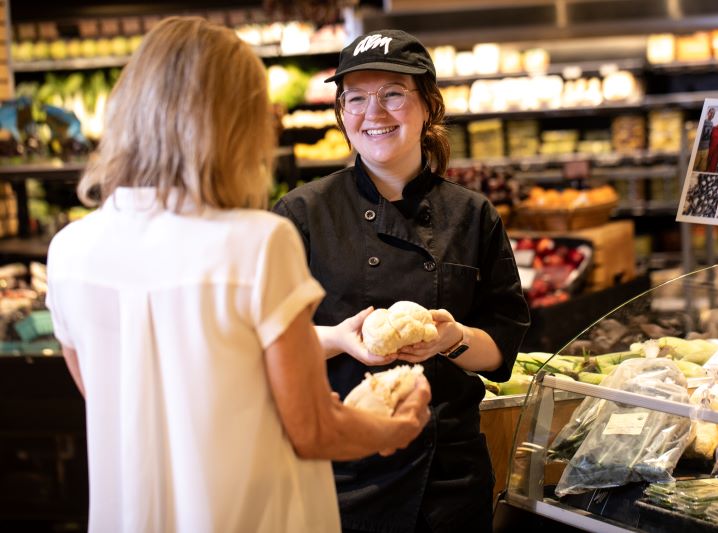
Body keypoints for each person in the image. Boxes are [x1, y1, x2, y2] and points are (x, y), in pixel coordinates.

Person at [45, 18, 431, 533]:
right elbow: (313, 430)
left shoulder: (70, 249)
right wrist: (392, 428)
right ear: (235, 124)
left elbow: (118, 400)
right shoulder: (256, 243)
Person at [273, 29, 530, 533]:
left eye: (393, 94)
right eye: (357, 99)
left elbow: (502, 347)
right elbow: (265, 343)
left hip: (448, 475)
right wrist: (338, 340)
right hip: (339, 468)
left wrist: (452, 339)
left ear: (429, 106)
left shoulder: (471, 215)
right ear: (341, 112)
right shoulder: (300, 213)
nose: (374, 114)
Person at [694, 107, 715, 172]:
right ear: (708, 113)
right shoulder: (702, 121)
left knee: (702, 168)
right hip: (698, 148)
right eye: (711, 113)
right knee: (694, 166)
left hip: (706, 149)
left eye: (713, 114)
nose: (712, 115)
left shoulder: (712, 123)